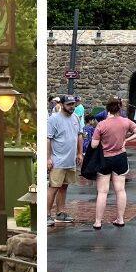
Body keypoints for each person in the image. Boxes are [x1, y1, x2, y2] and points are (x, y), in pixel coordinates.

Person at [90, 97, 136, 230]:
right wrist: (126, 140)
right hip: (120, 157)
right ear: (120, 108)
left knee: (102, 192)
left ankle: (98, 222)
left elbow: (93, 145)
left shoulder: (101, 125)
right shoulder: (126, 122)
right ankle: (120, 219)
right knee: (120, 190)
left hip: (104, 159)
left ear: (107, 109)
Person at [46, 94, 82, 227]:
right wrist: (48, 158)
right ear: (61, 105)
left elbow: (79, 135)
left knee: (64, 187)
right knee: (54, 187)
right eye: (69, 104)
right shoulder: (53, 119)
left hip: (70, 159)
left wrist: (79, 153)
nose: (72, 107)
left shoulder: (76, 118)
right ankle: (46, 214)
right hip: (58, 160)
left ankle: (60, 213)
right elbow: (48, 138)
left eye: (73, 104)